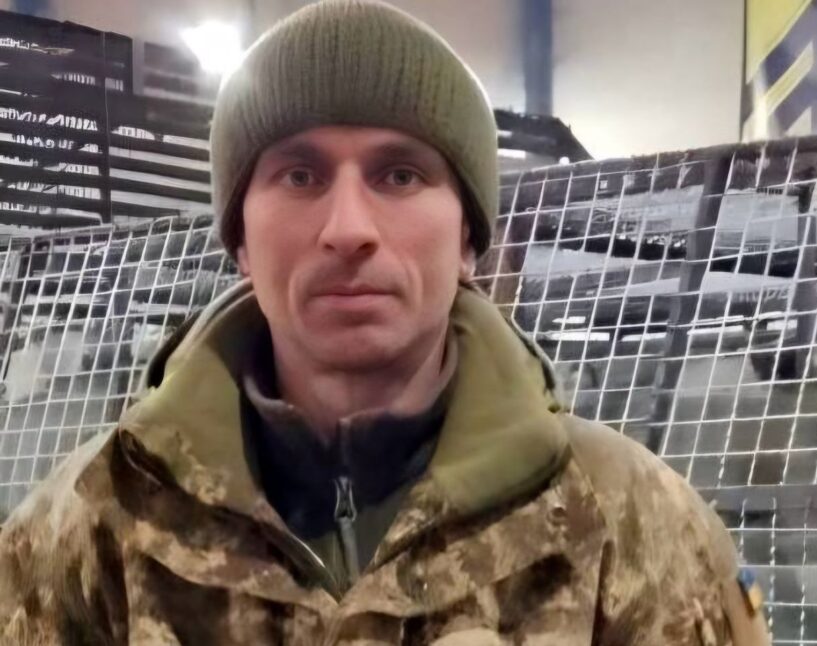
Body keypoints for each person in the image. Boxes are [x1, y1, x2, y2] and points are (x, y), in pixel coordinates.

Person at [0, 1, 771, 644]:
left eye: (400, 174)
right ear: (240, 241)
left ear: (467, 237)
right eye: (299, 175)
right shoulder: (97, 526)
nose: (348, 228)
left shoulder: (627, 525)